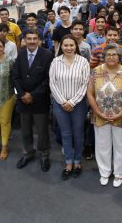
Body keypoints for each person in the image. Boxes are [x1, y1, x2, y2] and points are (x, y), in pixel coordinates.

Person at [87, 44, 122, 188]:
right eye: (108, 55)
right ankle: (105, 172)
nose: (111, 57)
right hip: (100, 116)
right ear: (103, 57)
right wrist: (98, 112)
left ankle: (120, 173)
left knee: (121, 145)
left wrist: (121, 113)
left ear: (120, 57)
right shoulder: (95, 71)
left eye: (114, 55)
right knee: (102, 145)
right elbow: (90, 94)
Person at [49, 35, 91, 180]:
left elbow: (85, 84)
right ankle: (68, 163)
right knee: (66, 134)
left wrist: (72, 102)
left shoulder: (83, 62)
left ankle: (77, 161)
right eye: (65, 45)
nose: (68, 48)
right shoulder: (55, 61)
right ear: (61, 46)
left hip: (78, 105)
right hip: (60, 105)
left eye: (71, 45)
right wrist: (62, 102)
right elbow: (52, 83)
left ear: (76, 46)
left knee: (78, 133)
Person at [12, 30, 54, 172]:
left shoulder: (47, 54)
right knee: (25, 130)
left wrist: (33, 95)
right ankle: (28, 153)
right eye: (28, 38)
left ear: (39, 40)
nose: (31, 41)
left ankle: (44, 155)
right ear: (24, 40)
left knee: (42, 131)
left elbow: (48, 79)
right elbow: (15, 76)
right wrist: (23, 94)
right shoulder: (21, 53)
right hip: (23, 100)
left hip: (40, 100)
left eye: (34, 38)